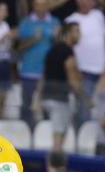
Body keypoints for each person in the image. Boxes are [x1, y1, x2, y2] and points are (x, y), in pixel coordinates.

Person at [36, 21, 83, 151]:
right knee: (59, 137)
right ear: (68, 33)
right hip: (59, 99)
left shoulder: (52, 50)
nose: (80, 35)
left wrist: (37, 98)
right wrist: (84, 97)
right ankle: (55, 162)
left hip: (46, 96)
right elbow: (72, 78)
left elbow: (44, 75)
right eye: (77, 31)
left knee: (54, 133)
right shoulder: (67, 51)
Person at [17, 0, 60, 125]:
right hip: (29, 71)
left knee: (48, 108)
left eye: (43, 5)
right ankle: (25, 132)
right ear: (34, 6)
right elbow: (19, 47)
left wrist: (56, 37)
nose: (41, 8)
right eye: (38, 5)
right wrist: (33, 39)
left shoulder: (55, 22)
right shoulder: (26, 22)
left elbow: (60, 47)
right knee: (27, 106)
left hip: (48, 74)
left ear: (47, 6)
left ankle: (47, 133)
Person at [65, 0, 105, 123]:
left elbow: (104, 39)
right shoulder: (70, 20)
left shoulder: (99, 16)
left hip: (102, 71)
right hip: (83, 71)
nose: (85, 2)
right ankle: (83, 132)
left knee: (102, 107)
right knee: (85, 108)